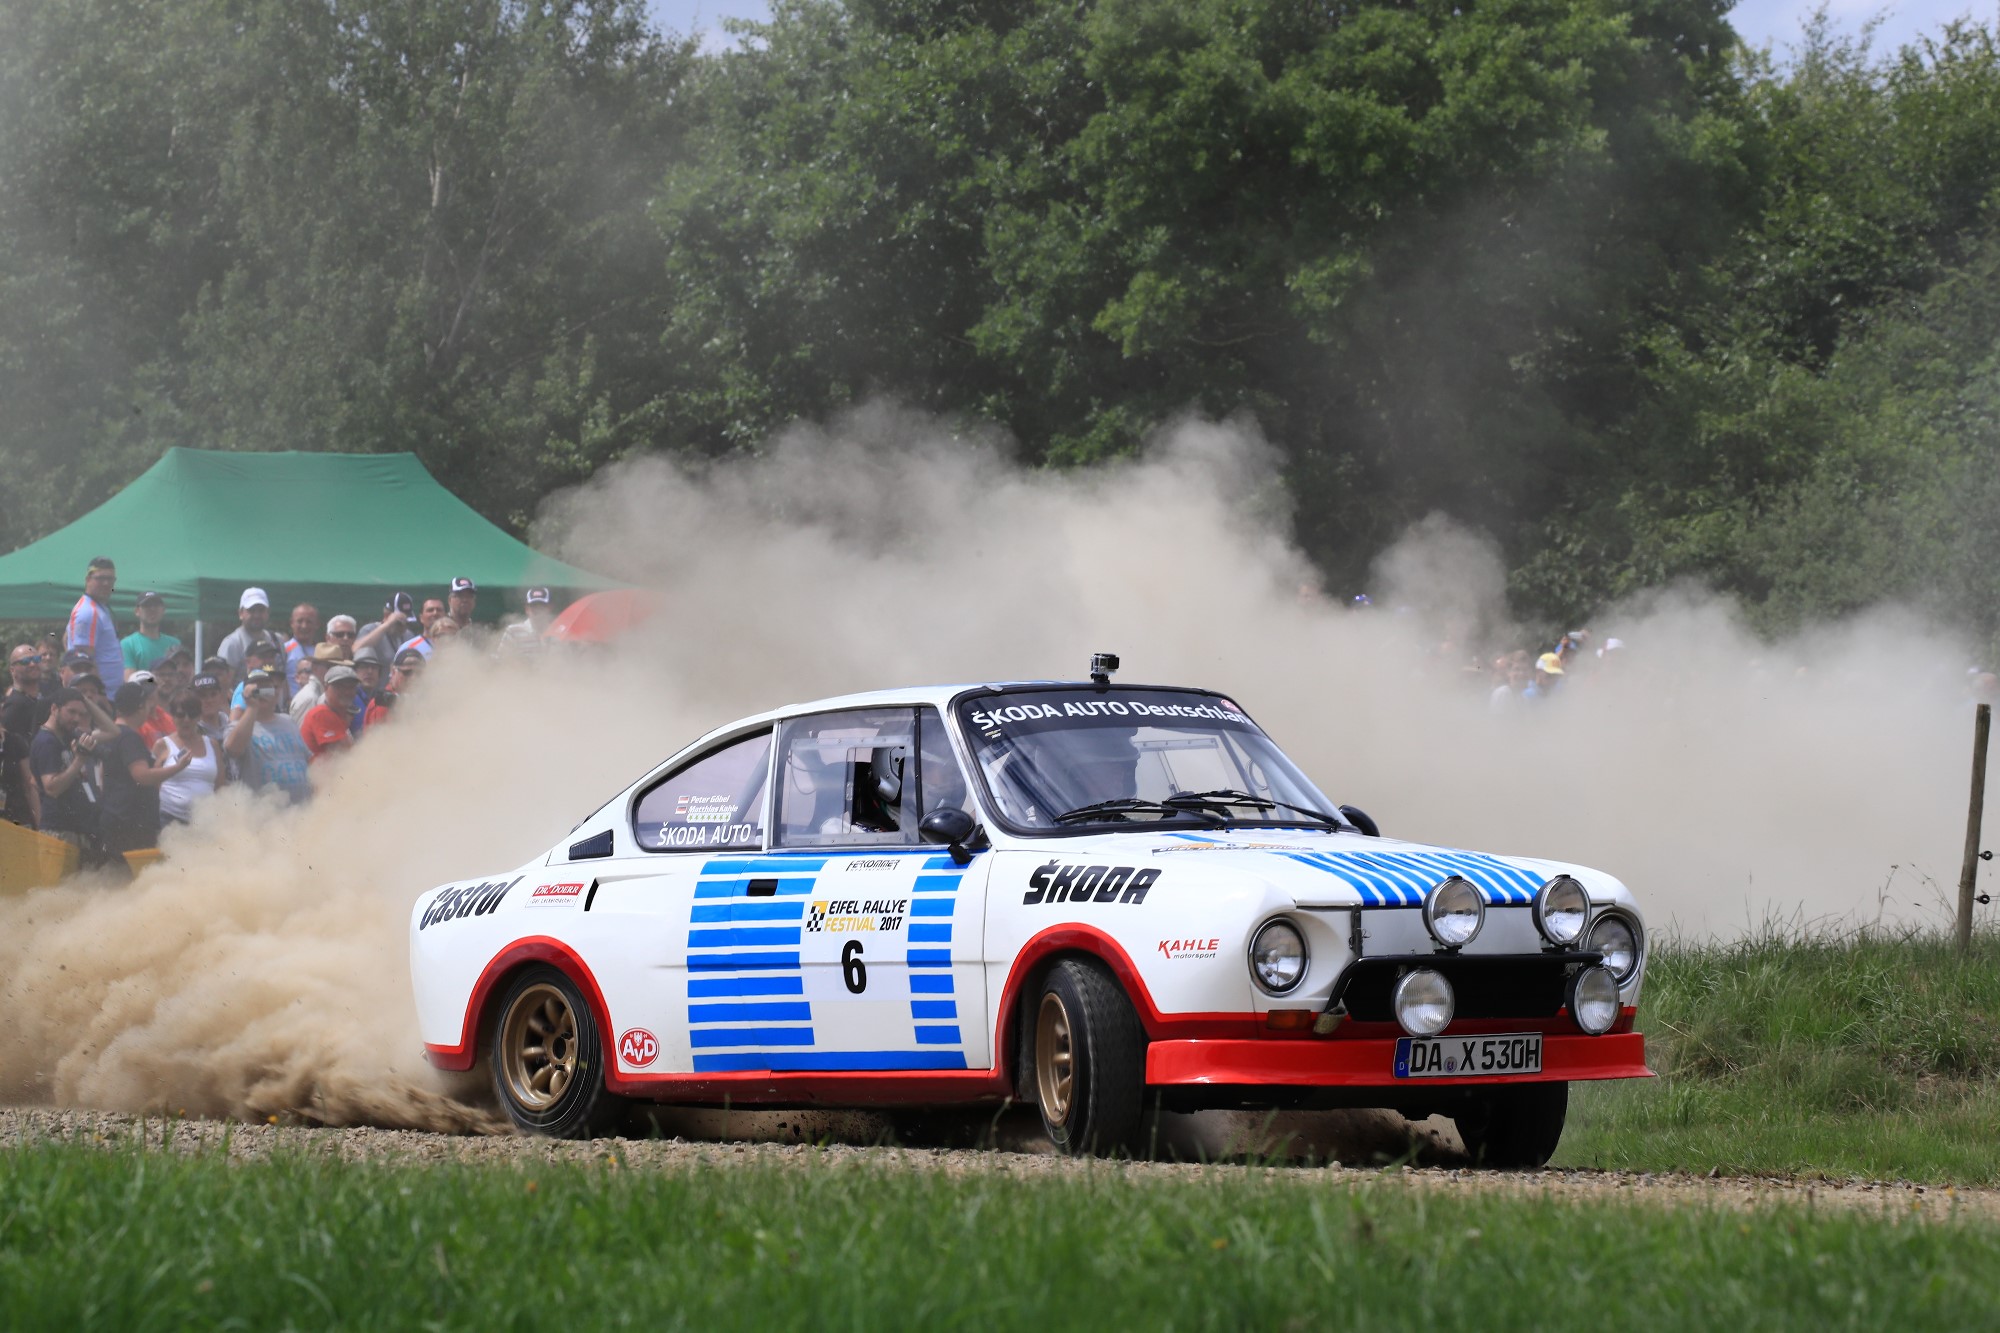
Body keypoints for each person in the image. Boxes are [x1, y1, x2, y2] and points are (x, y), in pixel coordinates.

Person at [99, 681, 187, 855]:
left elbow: (103, 775)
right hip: (131, 823)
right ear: (140, 707)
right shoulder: (129, 737)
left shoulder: (111, 734)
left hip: (115, 817)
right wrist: (178, 767)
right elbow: (142, 776)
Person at [30, 688, 104, 858]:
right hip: (58, 831)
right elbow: (52, 788)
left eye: (81, 714)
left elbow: (112, 732)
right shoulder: (46, 742)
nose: (77, 718)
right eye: (71, 712)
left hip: (75, 828)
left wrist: (85, 699)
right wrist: (79, 761)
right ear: (54, 709)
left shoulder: (66, 736)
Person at [224, 667, 312, 804]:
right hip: (263, 812)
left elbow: (306, 759)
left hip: (300, 811)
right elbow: (232, 749)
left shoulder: (288, 721)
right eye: (257, 689)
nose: (262, 693)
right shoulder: (237, 727)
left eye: (267, 688)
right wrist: (252, 706)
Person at [155, 688, 226, 826]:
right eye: (181, 715)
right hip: (170, 819)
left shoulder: (212, 744)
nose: (186, 720)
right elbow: (154, 783)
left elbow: (220, 785)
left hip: (206, 819)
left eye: (192, 714)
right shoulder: (162, 745)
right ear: (173, 716)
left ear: (199, 716)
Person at [65, 557, 124, 689]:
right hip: (101, 694)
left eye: (110, 579)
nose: (106, 583)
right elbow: (84, 662)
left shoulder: (99, 607)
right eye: (100, 578)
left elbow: (66, 638)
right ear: (88, 580)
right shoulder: (87, 612)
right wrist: (99, 694)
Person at [217, 587, 286, 680]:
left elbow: (283, 679)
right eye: (251, 610)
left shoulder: (277, 640)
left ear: (268, 613)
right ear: (241, 613)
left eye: (261, 610)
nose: (257, 615)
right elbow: (225, 683)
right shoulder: (232, 643)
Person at [300, 666, 360, 761]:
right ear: (326, 687)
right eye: (340, 687)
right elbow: (341, 757)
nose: (347, 692)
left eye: (351, 687)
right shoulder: (322, 714)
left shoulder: (337, 715)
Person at [120, 590, 182, 674]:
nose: (152, 609)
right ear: (137, 611)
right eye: (147, 605)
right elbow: (130, 678)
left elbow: (181, 674)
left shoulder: (175, 643)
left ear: (163, 610)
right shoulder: (127, 644)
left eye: (156, 605)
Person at [354, 592, 418, 667]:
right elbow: (356, 649)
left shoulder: (409, 635)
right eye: (399, 623)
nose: (404, 627)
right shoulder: (369, 629)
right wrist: (387, 625)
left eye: (407, 622)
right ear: (386, 615)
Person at [290, 642, 350, 720]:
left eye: (339, 667)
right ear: (314, 668)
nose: (337, 672)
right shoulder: (310, 698)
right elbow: (303, 728)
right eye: (330, 667)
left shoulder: (321, 693)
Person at [364, 649, 423, 726]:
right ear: (393, 672)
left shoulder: (424, 700)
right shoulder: (383, 704)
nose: (413, 678)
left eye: (418, 673)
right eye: (407, 672)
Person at [496, 586, 556, 658]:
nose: (537, 609)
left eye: (541, 605)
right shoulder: (513, 631)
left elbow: (565, 659)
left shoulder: (558, 633)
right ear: (527, 609)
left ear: (549, 608)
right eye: (533, 605)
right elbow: (500, 659)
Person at [282, 603, 322, 688]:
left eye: (309, 622)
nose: (304, 626)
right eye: (300, 621)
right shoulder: (284, 650)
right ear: (292, 623)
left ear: (317, 624)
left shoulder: (322, 652)